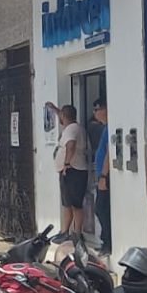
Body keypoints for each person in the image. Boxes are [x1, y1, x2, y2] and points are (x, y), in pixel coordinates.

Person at [50, 103, 89, 244]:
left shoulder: (72, 129)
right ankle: (64, 231)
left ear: (64, 117)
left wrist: (66, 163)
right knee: (67, 203)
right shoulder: (72, 127)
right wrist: (55, 110)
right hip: (70, 171)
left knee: (75, 204)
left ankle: (76, 233)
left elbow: (70, 146)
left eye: (60, 115)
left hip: (73, 170)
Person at [91, 99, 112, 255]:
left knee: (102, 209)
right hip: (102, 175)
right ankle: (105, 240)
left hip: (106, 177)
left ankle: (107, 243)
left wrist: (104, 176)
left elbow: (108, 152)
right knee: (100, 209)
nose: (95, 112)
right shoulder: (104, 128)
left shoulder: (109, 128)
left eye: (97, 109)